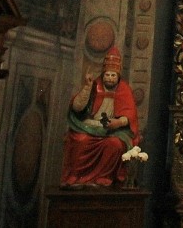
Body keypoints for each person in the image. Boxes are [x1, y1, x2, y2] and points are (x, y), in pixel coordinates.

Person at [60, 46, 139, 188]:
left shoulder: (124, 89)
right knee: (80, 140)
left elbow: (130, 113)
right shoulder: (94, 85)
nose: (110, 78)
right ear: (103, 74)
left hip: (114, 130)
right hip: (91, 126)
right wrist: (87, 88)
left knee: (114, 144)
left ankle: (104, 177)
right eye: (107, 75)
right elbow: (78, 107)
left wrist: (118, 122)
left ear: (118, 75)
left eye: (113, 75)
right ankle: (76, 176)